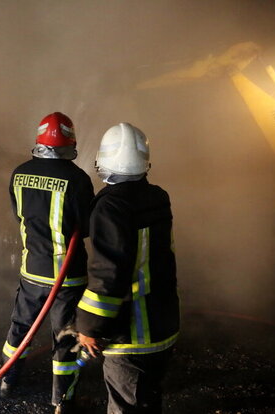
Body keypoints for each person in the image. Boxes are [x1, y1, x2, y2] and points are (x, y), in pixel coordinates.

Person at [75, 123, 180, 413]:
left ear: (103, 160)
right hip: (163, 324)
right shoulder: (158, 196)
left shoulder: (110, 207)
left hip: (133, 336)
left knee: (130, 405)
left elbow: (108, 275)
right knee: (146, 399)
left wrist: (89, 326)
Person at [0, 112, 95, 413]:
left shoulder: (19, 173)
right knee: (65, 336)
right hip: (67, 278)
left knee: (20, 327)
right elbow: (87, 228)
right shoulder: (77, 179)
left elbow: (20, 216)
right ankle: (62, 401)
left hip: (32, 270)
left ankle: (8, 379)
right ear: (70, 140)